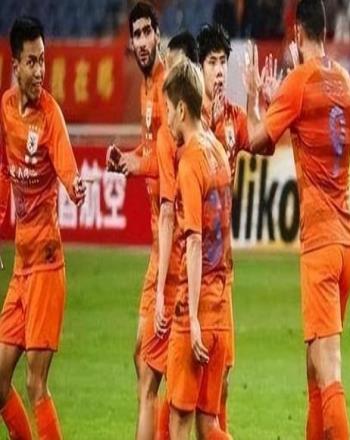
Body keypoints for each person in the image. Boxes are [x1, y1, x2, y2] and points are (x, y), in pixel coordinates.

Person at [244, 0, 350, 437]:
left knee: (328, 369)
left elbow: (256, 141)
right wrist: (280, 100)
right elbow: (309, 125)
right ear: (325, 31)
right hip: (347, 244)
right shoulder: (344, 80)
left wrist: (255, 96)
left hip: (321, 244)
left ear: (296, 33)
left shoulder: (298, 81)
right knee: (314, 367)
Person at [105, 4, 199, 438]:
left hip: (173, 244)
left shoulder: (168, 86)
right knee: (143, 362)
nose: (142, 41)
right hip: (158, 245)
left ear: (158, 35)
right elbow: (154, 152)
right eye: (136, 34)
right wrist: (130, 159)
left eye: (148, 32)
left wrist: (136, 165)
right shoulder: (147, 88)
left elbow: (171, 162)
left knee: (154, 373)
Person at [0, 16, 86, 440]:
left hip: (48, 267)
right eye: (32, 62)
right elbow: (4, 171)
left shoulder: (51, 115)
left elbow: (68, 167)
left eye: (43, 61)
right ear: (15, 64)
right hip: (21, 266)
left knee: (36, 382)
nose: (40, 71)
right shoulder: (5, 109)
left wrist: (75, 185)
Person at [196, 22, 272, 433]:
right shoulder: (189, 121)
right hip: (192, 271)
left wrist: (257, 100)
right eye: (212, 62)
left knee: (221, 378)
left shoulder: (233, 118)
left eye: (224, 62)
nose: (221, 71)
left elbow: (265, 144)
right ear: (199, 68)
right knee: (187, 391)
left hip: (223, 272)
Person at [163, 59, 232, 440]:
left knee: (180, 420)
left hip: (197, 309)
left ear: (181, 109)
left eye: (168, 110)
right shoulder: (218, 150)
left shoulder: (189, 162)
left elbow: (193, 241)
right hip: (222, 307)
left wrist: (191, 319)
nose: (166, 119)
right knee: (209, 425)